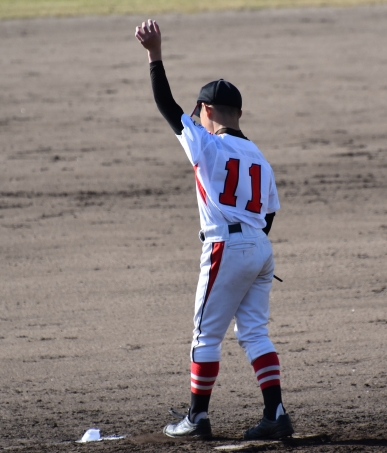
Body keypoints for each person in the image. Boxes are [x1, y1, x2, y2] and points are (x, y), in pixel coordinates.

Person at [134, 19, 294, 441]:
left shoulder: (207, 144)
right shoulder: (259, 156)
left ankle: (197, 417)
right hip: (260, 248)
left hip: (227, 247)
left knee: (205, 335)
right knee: (254, 332)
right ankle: (275, 413)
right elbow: (269, 215)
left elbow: (166, 106)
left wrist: (154, 54)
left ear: (205, 111)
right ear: (239, 113)